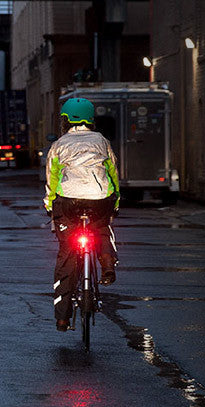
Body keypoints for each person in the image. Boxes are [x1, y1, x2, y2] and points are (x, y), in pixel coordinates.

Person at [43, 97, 119, 331]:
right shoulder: (102, 141)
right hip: (99, 199)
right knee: (101, 227)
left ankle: (63, 317)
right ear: (91, 119)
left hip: (69, 201)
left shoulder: (59, 144)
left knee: (66, 253)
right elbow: (112, 173)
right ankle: (106, 262)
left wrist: (49, 205)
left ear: (65, 119)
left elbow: (52, 179)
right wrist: (114, 201)